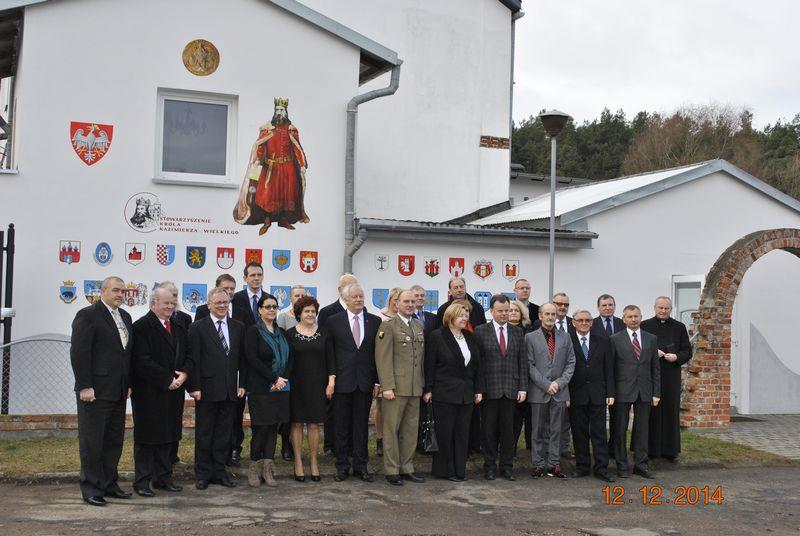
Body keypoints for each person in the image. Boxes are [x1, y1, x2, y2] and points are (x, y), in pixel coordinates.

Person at [70, 276, 133, 506]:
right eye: (115, 290)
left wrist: (128, 384)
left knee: (113, 441)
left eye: (123, 291)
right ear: (103, 291)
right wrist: (85, 386)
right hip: (94, 392)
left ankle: (108, 484)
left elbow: (126, 355)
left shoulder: (125, 316)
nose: (120, 294)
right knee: (92, 442)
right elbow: (79, 353)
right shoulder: (88, 315)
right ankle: (91, 488)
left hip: (118, 391)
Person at [185, 287, 246, 490]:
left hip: (230, 390)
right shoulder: (198, 327)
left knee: (224, 433)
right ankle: (203, 473)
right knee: (205, 433)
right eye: (218, 303)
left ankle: (220, 471)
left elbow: (242, 360)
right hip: (206, 389)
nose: (222, 306)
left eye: (225, 303)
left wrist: (242, 384)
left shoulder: (238, 327)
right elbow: (193, 359)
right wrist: (194, 387)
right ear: (209, 304)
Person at [130, 288, 187, 497]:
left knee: (169, 436)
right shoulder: (142, 327)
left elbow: (186, 354)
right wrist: (167, 380)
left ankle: (163, 478)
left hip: (175, 391)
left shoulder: (179, 326)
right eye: (166, 303)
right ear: (154, 304)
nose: (171, 307)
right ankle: (142, 481)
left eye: (173, 303)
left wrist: (184, 375)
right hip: (150, 392)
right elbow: (142, 360)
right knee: (148, 438)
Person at [326, 284, 381, 482]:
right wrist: (331, 378)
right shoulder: (333, 321)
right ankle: (342, 465)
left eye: (361, 296)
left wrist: (376, 381)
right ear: (346, 299)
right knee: (341, 426)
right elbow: (330, 353)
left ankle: (360, 465)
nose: (359, 300)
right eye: (355, 297)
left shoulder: (374, 321)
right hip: (342, 382)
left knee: (361, 426)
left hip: (364, 382)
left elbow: (377, 355)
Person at [423, 303, 483, 482]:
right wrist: (428, 389)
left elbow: (477, 367)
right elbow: (429, 365)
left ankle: (459, 470)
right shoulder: (437, 336)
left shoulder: (470, 337)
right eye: (461, 315)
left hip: (466, 395)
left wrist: (478, 390)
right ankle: (444, 470)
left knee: (462, 433)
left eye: (466, 315)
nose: (465, 318)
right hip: (444, 393)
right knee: (445, 433)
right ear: (450, 317)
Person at [233, 97, 310, 235]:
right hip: (270, 168)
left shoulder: (291, 129)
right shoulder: (267, 128)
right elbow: (260, 146)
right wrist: (257, 159)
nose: (279, 112)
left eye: (282, 110)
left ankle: (283, 220)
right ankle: (267, 219)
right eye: (277, 110)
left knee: (287, 194)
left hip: (288, 168)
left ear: (286, 111)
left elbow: (298, 148)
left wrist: (302, 165)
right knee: (268, 195)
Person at [474, 295, 527, 481]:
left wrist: (523, 388)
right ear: (491, 311)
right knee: (488, 431)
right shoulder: (480, 331)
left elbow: (522, 362)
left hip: (511, 389)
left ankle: (507, 467)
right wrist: (478, 388)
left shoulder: (518, 332)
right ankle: (489, 466)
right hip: (489, 390)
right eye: (500, 311)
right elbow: (477, 364)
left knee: (508, 431)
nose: (504, 314)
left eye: (507, 310)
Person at [376, 290, 426, 486]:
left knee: (410, 430)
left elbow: (420, 359)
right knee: (391, 430)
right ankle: (391, 469)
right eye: (406, 301)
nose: (410, 304)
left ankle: (407, 467)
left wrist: (422, 385)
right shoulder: (388, 326)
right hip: (395, 388)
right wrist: (386, 386)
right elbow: (383, 358)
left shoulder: (418, 325)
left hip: (414, 387)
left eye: (413, 301)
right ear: (397, 304)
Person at [244, 293, 294, 487]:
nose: (271, 309)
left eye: (274, 306)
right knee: (261, 429)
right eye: (267, 307)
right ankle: (254, 468)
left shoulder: (282, 332)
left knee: (273, 428)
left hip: (281, 388)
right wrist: (274, 378)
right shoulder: (253, 331)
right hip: (261, 388)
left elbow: (291, 358)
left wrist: (283, 379)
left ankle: (268, 468)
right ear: (260, 310)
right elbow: (252, 359)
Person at [286, 295, 335, 482]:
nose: (310, 314)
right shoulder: (289, 334)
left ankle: (314, 461)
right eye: (306, 311)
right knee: (297, 423)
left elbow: (331, 359)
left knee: (314, 424)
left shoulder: (324, 332)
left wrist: (331, 382)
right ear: (299, 313)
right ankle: (298, 461)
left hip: (318, 385)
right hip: (296, 385)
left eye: (313, 311)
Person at [609, 305, 660, 479]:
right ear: (623, 319)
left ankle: (641, 464)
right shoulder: (615, 339)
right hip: (622, 390)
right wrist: (611, 392)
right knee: (620, 429)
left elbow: (655, 367)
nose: (633, 319)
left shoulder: (651, 339)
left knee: (642, 430)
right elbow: (611, 369)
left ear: (641, 317)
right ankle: (622, 465)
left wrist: (656, 392)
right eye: (630, 316)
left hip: (645, 390)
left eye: (636, 316)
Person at [526, 303, 575, 479]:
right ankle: (538, 464)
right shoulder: (530, 338)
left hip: (560, 392)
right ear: (540, 316)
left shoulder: (566, 337)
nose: (550, 317)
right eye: (546, 313)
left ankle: (554, 464)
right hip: (539, 391)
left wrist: (559, 383)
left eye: (553, 314)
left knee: (557, 430)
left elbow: (571, 363)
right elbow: (529, 365)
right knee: (538, 430)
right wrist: (546, 384)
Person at [641, 296, 692, 462]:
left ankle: (671, 451)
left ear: (671, 309)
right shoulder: (645, 326)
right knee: (649, 412)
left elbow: (687, 351)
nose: (663, 311)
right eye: (660, 308)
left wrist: (676, 356)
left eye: (666, 308)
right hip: (649, 375)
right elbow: (637, 347)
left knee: (670, 410)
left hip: (670, 374)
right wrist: (652, 352)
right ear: (654, 308)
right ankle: (648, 450)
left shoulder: (679, 327)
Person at [568, 310, 615, 482]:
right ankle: (582, 467)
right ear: (573, 322)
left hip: (598, 395)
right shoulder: (568, 341)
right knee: (579, 433)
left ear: (592, 322)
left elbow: (608, 368)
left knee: (599, 433)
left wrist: (610, 392)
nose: (584, 323)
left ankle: (601, 468)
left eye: (587, 320)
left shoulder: (602, 341)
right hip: (576, 394)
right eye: (580, 320)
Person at [317, 272, 360, 455]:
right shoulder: (328, 312)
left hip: (354, 372)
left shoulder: (361, 311)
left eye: (354, 286)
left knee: (351, 414)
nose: (352, 291)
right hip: (335, 369)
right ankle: (330, 444)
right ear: (340, 290)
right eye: (347, 286)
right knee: (332, 409)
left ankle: (349, 446)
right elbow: (326, 343)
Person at [228, 262, 266, 466]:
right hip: (241, 363)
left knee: (260, 410)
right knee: (236, 410)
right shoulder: (236, 299)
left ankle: (259, 451)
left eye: (259, 274)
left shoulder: (268, 300)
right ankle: (235, 448)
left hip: (260, 365)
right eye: (252, 275)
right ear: (245, 278)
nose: (256, 278)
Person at [152, 280, 191, 466]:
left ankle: (173, 456)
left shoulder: (183, 319)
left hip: (178, 379)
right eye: (167, 297)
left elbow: (187, 349)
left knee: (175, 421)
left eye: (174, 297)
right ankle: (158, 463)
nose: (171, 301)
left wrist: (183, 373)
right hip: (158, 381)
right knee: (158, 424)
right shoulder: (149, 322)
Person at [592, 293, 625, 460]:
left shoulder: (622, 323)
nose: (607, 308)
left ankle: (614, 450)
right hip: (598, 377)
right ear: (598, 307)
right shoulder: (592, 324)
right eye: (604, 305)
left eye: (610, 305)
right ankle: (600, 451)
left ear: (614, 306)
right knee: (597, 419)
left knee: (617, 418)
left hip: (618, 376)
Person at [375, 287, 402, 455]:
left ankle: (395, 439)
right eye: (395, 298)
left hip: (401, 371)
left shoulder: (407, 319)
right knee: (381, 407)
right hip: (384, 368)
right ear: (391, 300)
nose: (397, 302)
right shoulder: (380, 318)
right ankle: (380, 438)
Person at [509, 299, 534, 455]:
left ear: (522, 313)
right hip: (509, 381)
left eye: (516, 310)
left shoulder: (528, 332)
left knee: (522, 417)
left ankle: (527, 448)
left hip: (526, 381)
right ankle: (509, 448)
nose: (512, 313)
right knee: (509, 419)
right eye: (510, 310)